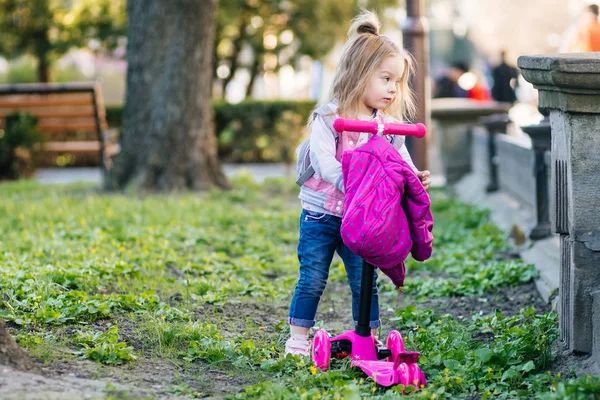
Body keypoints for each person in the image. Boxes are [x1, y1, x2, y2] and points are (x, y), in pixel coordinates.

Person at [285, 10, 432, 357]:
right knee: (313, 277)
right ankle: (298, 337)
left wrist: (414, 178)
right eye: (386, 79)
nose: (393, 89)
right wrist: (362, 184)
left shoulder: (386, 126)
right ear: (359, 73)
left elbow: (401, 161)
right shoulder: (328, 119)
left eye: (396, 82)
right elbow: (324, 164)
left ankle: (368, 337)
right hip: (321, 216)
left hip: (362, 220)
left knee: (364, 280)